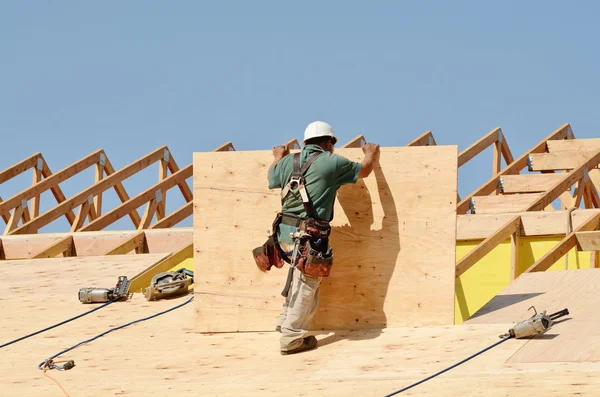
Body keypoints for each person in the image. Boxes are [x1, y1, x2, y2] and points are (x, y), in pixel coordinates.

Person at [262, 120, 380, 355]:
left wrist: (279, 155)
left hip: (283, 235)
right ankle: (291, 338)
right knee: (307, 283)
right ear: (329, 143)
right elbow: (364, 170)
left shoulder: (288, 161)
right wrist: (371, 154)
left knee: (297, 275)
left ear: (305, 143)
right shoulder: (332, 161)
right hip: (309, 237)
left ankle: (284, 321)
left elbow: (272, 178)